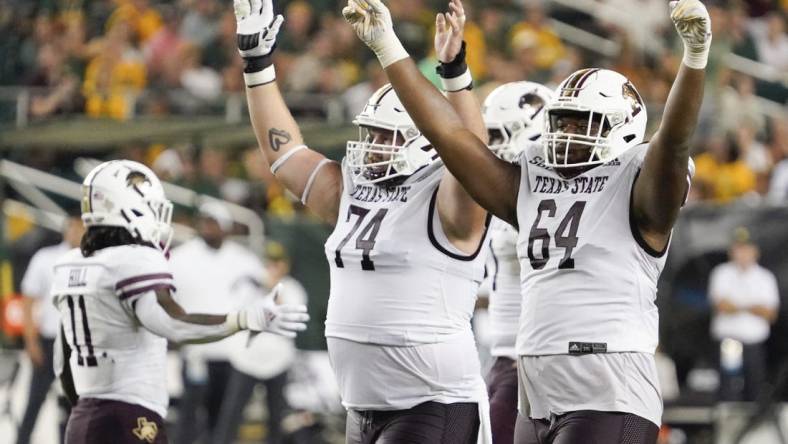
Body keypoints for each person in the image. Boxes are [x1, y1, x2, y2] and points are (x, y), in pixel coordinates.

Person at [344, 0, 710, 442]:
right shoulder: (533, 179)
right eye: (562, 122)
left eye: (584, 123)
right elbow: (450, 136)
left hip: (609, 386)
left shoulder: (641, 183)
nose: (567, 135)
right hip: (535, 391)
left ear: (625, 130)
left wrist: (693, 58)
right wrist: (387, 46)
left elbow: (673, 142)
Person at [232, 0, 492, 441]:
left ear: (427, 141)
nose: (373, 146)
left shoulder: (450, 200)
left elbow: (471, 154)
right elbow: (284, 155)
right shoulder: (354, 186)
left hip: (433, 401)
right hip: (362, 406)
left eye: (387, 136)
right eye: (370, 134)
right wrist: (257, 66)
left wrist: (454, 76)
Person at [50, 160, 308, 444]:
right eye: (150, 207)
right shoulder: (132, 261)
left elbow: (63, 362)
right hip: (130, 415)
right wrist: (244, 319)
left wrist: (89, 408)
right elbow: (171, 322)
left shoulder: (71, 265)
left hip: (83, 417)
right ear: (126, 208)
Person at [481, 81, 553, 444]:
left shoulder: (542, 192)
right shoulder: (502, 189)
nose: (489, 144)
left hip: (527, 359)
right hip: (502, 355)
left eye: (496, 134)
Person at [169, 201, 267, 444]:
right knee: (188, 416)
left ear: (226, 228)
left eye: (213, 222)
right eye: (204, 221)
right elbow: (168, 298)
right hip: (195, 351)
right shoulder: (181, 258)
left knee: (224, 418)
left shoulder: (245, 261)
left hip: (232, 353)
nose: (208, 227)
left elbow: (258, 302)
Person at [214, 241, 308, 444]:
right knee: (231, 415)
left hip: (278, 363)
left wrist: (274, 292)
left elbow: (290, 321)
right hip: (247, 360)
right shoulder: (247, 285)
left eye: (278, 262)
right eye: (269, 262)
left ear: (286, 265)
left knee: (277, 417)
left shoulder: (294, 289)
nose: (273, 267)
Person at [16, 215, 83, 444]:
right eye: (75, 226)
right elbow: (28, 300)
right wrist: (30, 340)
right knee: (35, 401)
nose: (78, 232)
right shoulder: (46, 258)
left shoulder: (95, 261)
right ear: (67, 228)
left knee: (75, 405)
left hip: (80, 344)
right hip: (49, 340)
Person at [709, 227, 779, 401]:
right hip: (730, 342)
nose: (742, 253)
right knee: (729, 386)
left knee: (754, 387)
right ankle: (728, 425)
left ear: (755, 251)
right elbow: (721, 306)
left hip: (754, 343)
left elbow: (770, 313)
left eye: (745, 249)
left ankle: (752, 427)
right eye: (738, 249)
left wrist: (737, 306)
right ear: (732, 251)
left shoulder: (765, 277)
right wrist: (753, 307)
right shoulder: (721, 273)